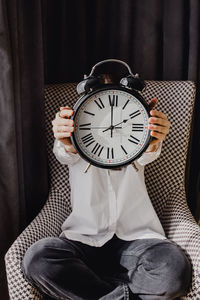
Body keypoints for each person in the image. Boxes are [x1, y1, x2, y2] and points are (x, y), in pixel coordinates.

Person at [21, 74, 192, 300]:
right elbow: (64, 151)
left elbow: (149, 152)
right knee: (37, 259)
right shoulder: (73, 137)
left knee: (174, 270)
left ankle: (97, 291)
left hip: (139, 239)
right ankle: (122, 292)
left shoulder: (138, 132)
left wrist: (153, 137)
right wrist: (63, 137)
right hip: (83, 240)